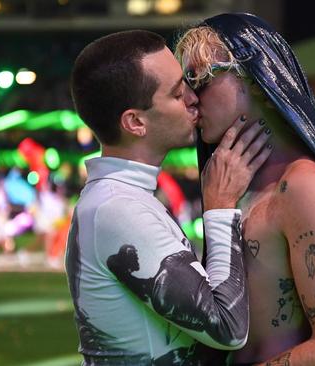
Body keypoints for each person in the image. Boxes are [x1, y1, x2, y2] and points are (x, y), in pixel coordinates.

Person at [175, 13, 315, 365]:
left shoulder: (305, 185)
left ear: (256, 80)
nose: (190, 100)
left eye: (199, 80)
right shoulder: (231, 186)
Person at [67, 30, 272, 364]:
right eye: (178, 93)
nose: (194, 98)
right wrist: (220, 207)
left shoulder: (122, 198)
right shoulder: (117, 209)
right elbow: (228, 328)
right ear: (135, 122)